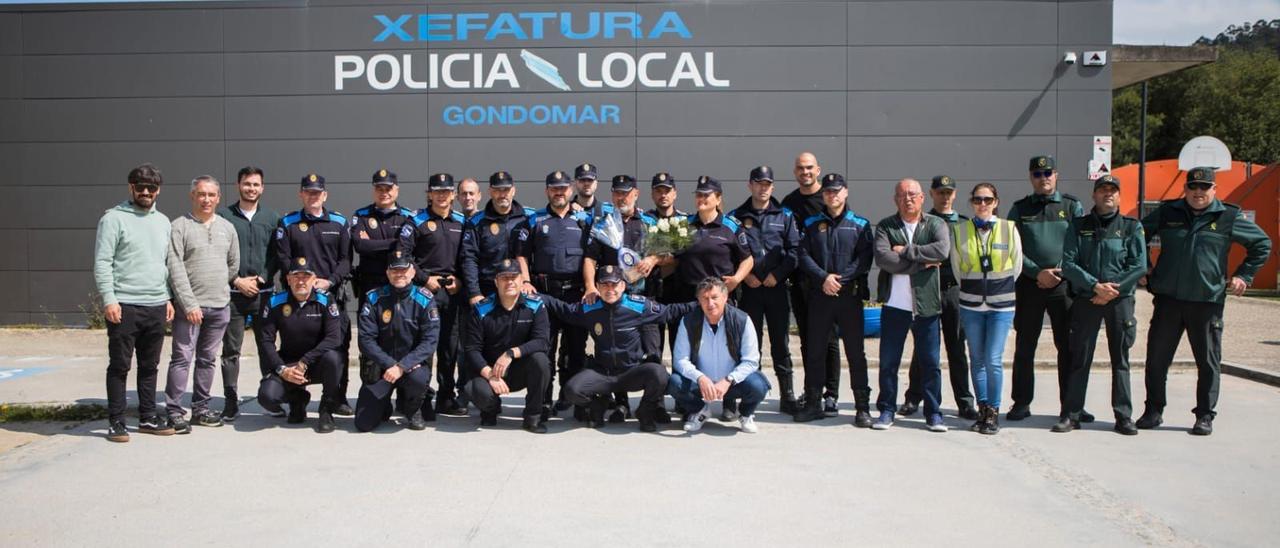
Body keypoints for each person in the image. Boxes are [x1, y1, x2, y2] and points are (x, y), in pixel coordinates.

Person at [1137, 166, 1272, 435]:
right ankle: (1153, 411)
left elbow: (1262, 244)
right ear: (1185, 188)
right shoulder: (1169, 211)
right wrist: (1144, 267)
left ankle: (1205, 415)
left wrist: (1244, 275)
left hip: (1206, 302)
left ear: (1214, 190)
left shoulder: (1228, 216)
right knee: (1156, 360)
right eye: (1193, 186)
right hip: (1168, 300)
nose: (1198, 192)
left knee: (1208, 362)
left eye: (1204, 187)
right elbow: (1137, 235)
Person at [541, 265, 698, 432]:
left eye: (614, 285)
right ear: (597, 287)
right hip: (603, 373)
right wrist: (536, 295)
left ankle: (645, 411)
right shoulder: (589, 308)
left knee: (659, 374)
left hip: (632, 372)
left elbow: (671, 311)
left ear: (623, 286)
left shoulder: (638, 306)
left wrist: (701, 303)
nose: (610, 290)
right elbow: (563, 309)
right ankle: (598, 405)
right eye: (605, 285)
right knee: (572, 390)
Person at [1055, 175, 1146, 435]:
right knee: (1079, 358)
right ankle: (1071, 415)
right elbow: (1069, 263)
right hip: (1087, 299)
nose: (1108, 194)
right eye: (1103, 190)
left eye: (1112, 191)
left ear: (1119, 196)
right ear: (1094, 195)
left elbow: (1138, 265)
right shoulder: (1079, 225)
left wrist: (1111, 290)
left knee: (1121, 359)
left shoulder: (1131, 226)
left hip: (1120, 301)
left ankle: (1123, 416)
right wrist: (1095, 286)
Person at [94, 163, 176, 442]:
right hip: (124, 305)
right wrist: (109, 299)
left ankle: (148, 418)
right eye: (139, 187)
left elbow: (164, 264)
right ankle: (116, 421)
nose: (145, 192)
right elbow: (103, 262)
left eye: (151, 188)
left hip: (155, 304)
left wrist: (166, 297)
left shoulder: (163, 222)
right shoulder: (113, 219)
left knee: (150, 366)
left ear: (158, 191)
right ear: (131, 187)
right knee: (119, 365)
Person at [1005, 155, 1086, 422]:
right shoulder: (1019, 209)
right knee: (1025, 346)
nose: (1043, 178)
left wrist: (1059, 272)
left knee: (1068, 346)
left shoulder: (1071, 206)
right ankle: (1021, 403)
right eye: (1037, 174)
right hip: (1030, 285)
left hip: (1063, 286)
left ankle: (1071, 405)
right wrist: (1037, 272)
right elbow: (1012, 248)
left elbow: (1079, 245)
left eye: (1048, 173)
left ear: (1056, 174)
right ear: (1031, 177)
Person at [794, 173, 875, 425]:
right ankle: (813, 403)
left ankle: (862, 408)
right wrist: (823, 278)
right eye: (828, 191)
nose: (833, 195)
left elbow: (864, 259)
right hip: (820, 297)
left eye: (837, 191)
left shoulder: (860, 224)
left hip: (848, 298)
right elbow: (803, 255)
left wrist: (840, 279)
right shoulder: (810, 224)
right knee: (815, 352)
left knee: (855, 354)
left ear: (846, 192)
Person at [871, 178, 950, 432]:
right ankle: (886, 410)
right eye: (902, 195)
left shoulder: (936, 224)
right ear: (895, 199)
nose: (908, 199)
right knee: (888, 362)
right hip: (895, 306)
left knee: (930, 363)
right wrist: (920, 262)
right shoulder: (886, 226)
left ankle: (933, 413)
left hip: (927, 305)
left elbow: (941, 252)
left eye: (913, 194)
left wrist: (905, 250)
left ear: (922, 198)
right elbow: (885, 259)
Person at [163, 175, 239, 434]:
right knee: (182, 359)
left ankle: (201, 409)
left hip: (219, 307)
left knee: (207, 360)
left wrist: (220, 293)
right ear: (192, 196)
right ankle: (174, 411)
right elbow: (175, 267)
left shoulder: (227, 228)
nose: (206, 199)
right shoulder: (179, 227)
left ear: (218, 198)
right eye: (201, 194)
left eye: (211, 195)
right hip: (190, 309)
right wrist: (189, 303)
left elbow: (233, 265)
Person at [583, 174, 662, 422]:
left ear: (636, 194)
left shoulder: (649, 221)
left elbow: (666, 251)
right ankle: (621, 404)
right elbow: (590, 259)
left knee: (652, 351)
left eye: (626, 193)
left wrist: (654, 258)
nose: (621, 197)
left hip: (642, 298)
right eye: (617, 193)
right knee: (614, 352)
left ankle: (653, 404)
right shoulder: (603, 223)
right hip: (612, 301)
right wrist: (589, 286)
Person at [275, 173, 353, 415]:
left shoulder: (339, 222)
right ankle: (297, 396)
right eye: (308, 192)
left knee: (338, 348)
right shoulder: (288, 223)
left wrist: (329, 281)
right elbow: (284, 259)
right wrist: (305, 284)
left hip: (331, 296)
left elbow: (346, 260)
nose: (313, 196)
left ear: (325, 195)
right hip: (299, 297)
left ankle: (337, 398)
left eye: (317, 192)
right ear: (301, 194)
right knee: (297, 343)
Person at [901, 175, 978, 420]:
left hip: (954, 289)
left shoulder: (965, 224)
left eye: (948, 192)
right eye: (940, 192)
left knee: (956, 347)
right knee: (923, 347)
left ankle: (964, 401)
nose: (944, 197)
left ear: (954, 195)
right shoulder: (923, 222)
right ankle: (914, 397)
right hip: (927, 287)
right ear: (931, 194)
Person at [727, 165, 800, 414]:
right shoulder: (737, 216)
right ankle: (750, 395)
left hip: (776, 289)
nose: (763, 188)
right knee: (749, 346)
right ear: (750, 185)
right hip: (750, 291)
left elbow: (794, 251)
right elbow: (731, 253)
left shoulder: (785, 215)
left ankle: (787, 395)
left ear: (773, 186)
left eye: (767, 184)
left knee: (781, 344)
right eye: (759, 183)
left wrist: (776, 275)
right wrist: (744, 278)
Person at [951, 183, 1023, 435]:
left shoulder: (1008, 228)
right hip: (971, 304)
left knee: (993, 359)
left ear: (996, 202)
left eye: (988, 199)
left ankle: (993, 410)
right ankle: (982, 410)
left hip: (1001, 305)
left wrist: (995, 287)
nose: (982, 204)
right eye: (978, 199)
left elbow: (1017, 266)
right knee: (977, 359)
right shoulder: (960, 231)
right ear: (971, 202)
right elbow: (957, 267)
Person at [519, 170, 591, 421]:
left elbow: (593, 256)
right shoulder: (534, 220)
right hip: (544, 295)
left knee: (575, 351)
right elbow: (521, 254)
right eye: (554, 188)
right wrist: (526, 281)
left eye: (563, 188)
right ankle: (544, 401)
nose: (559, 192)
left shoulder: (584, 220)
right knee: (544, 351)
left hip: (575, 295)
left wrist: (591, 286)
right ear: (547, 190)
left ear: (571, 190)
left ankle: (573, 399)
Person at [398, 173, 469, 416]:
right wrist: (425, 278)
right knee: (424, 348)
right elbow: (403, 256)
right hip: (423, 293)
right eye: (437, 191)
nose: (442, 196)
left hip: (451, 293)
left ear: (453, 195)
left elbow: (467, 258)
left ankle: (446, 397)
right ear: (429, 194)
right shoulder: (415, 221)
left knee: (449, 349)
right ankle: (423, 398)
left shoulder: (461, 222)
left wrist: (460, 280)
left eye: (446, 191)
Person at [348, 169, 415, 414]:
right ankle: (376, 398)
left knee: (402, 338)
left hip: (399, 289)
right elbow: (359, 245)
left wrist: (373, 244)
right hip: (370, 288)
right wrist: (392, 243)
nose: (384, 192)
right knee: (371, 343)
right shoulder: (361, 215)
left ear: (396, 190)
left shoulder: (409, 216)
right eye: (379, 188)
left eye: (388, 188)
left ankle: (408, 398)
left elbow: (405, 248)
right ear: (373, 189)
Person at [218, 166, 280, 421]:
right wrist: (236, 279)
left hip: (264, 294)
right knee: (231, 350)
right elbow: (216, 255)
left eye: (256, 184)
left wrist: (265, 274)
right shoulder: (224, 217)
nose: (251, 188)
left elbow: (278, 253)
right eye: (247, 184)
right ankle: (230, 400)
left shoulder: (272, 218)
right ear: (238, 185)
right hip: (233, 295)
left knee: (266, 347)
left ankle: (270, 397)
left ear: (262, 188)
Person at [782, 152, 842, 416]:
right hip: (800, 282)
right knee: (807, 339)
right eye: (800, 168)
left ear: (818, 169)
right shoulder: (790, 202)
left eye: (809, 168)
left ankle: (831, 394)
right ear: (795, 172)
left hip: (826, 282)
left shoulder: (829, 198)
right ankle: (813, 389)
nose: (805, 172)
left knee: (829, 340)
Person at [256, 257, 345, 433]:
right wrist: (282, 369)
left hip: (316, 363)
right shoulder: (275, 302)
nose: (301, 281)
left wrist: (305, 361)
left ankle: (326, 409)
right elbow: (266, 340)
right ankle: (297, 399)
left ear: (314, 279)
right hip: (288, 364)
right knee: (267, 397)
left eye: (306, 276)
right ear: (288, 279)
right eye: (296, 276)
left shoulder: (326, 300)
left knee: (334, 358)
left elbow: (334, 338)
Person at [670, 277, 770, 434]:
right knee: (674, 383)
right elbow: (680, 360)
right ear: (699, 300)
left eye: (715, 297)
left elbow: (751, 361)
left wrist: (728, 380)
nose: (710, 304)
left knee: (758, 385)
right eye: (705, 298)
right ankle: (700, 411)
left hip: (732, 383)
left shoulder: (742, 320)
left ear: (725, 297)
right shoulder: (688, 321)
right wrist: (700, 378)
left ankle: (745, 413)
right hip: (702, 383)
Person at [462, 259, 552, 433]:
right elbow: (472, 349)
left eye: (514, 277)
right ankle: (491, 410)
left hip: (519, 370)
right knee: (475, 389)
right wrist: (490, 375)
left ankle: (532, 417)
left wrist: (511, 353)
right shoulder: (481, 310)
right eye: (504, 278)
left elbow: (542, 341)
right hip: (490, 372)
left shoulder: (535, 306)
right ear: (496, 282)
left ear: (521, 280)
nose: (509, 282)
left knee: (541, 361)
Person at [354, 253, 440, 432]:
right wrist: (390, 365)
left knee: (418, 379)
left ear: (412, 272)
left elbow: (430, 341)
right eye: (395, 270)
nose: (399, 274)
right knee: (364, 424)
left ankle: (413, 408)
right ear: (387, 273)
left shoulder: (425, 298)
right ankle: (384, 404)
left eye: (403, 270)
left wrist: (402, 366)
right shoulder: (374, 298)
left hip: (411, 367)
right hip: (381, 367)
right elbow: (366, 340)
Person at [671, 176, 754, 303]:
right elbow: (672, 256)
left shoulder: (731, 226)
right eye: (698, 195)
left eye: (706, 195)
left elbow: (747, 259)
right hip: (689, 297)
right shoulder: (684, 225)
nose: (701, 199)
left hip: (719, 297)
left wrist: (736, 279)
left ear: (718, 199)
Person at [462, 171, 534, 303]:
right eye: (497, 190)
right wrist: (474, 293)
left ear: (513, 191)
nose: (502, 194)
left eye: (506, 190)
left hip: (520, 289)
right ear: (490, 191)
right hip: (487, 291)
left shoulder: (528, 218)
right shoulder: (476, 222)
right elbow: (469, 259)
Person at [646, 172, 686, 361]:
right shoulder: (644, 220)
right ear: (653, 194)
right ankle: (656, 389)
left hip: (679, 293)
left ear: (675, 193)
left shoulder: (686, 221)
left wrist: (655, 258)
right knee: (653, 349)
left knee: (681, 349)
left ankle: (681, 389)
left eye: (667, 191)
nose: (663, 195)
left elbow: (683, 256)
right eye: (658, 191)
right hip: (652, 293)